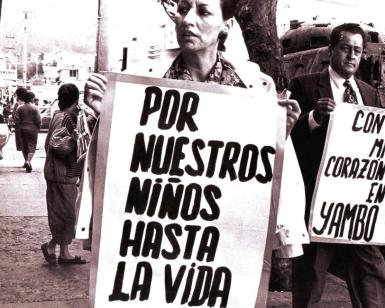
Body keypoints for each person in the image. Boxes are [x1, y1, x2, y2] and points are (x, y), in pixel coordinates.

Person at [84, 0, 307, 267]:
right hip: (156, 235)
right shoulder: (141, 82)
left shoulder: (255, 88)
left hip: (224, 241)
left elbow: (257, 175)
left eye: (202, 11)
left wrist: (279, 138)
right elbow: (126, 165)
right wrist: (106, 118)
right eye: (182, 9)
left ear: (226, 25)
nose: (188, 19)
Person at [289, 23, 385, 307]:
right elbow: (286, 136)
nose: (351, 56)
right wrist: (313, 118)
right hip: (319, 200)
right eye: (346, 49)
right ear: (331, 50)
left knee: (371, 271)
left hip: (359, 202)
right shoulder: (305, 85)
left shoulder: (369, 94)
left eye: (357, 51)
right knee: (311, 275)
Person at [41, 83, 87, 265]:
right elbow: (57, 144)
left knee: (64, 213)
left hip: (59, 173)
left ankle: (60, 250)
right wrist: (77, 140)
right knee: (67, 214)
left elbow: (48, 144)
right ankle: (55, 248)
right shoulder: (66, 118)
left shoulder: (58, 116)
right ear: (76, 99)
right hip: (62, 174)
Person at [13, 90, 41, 172]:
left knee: (24, 146)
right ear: (32, 99)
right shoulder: (35, 108)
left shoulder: (19, 108)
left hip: (22, 129)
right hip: (33, 129)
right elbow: (39, 120)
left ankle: (26, 161)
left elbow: (16, 120)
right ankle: (28, 161)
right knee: (32, 146)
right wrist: (38, 128)